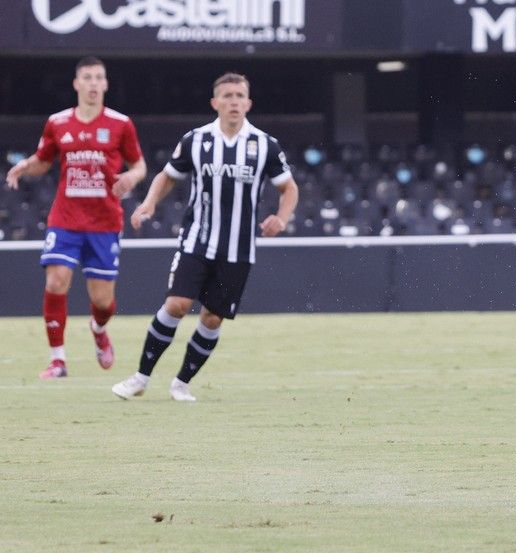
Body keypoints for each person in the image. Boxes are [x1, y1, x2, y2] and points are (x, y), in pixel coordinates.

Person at [111, 73, 298, 403]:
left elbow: (289, 188)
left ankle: (182, 382)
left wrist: (281, 218)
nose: (234, 101)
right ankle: (140, 377)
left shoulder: (265, 145)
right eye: (227, 95)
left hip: (238, 249)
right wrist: (149, 203)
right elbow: (168, 176)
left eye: (240, 95)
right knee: (177, 304)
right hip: (196, 239)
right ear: (215, 103)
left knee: (212, 316)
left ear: (249, 103)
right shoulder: (196, 140)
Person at [5, 57, 146, 380]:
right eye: (88, 77)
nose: (94, 83)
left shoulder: (120, 124)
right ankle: (58, 361)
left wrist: (130, 178)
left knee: (103, 301)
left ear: (106, 84)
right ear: (77, 84)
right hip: (65, 218)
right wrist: (26, 166)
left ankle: (98, 329)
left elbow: (139, 165)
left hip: (105, 222)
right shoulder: (57, 122)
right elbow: (44, 161)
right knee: (56, 281)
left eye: (99, 77)